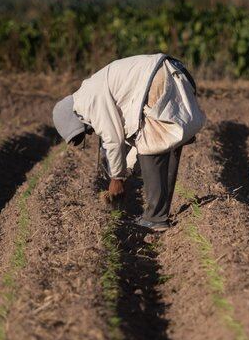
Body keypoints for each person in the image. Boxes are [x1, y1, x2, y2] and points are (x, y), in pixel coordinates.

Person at [52, 53, 206, 232]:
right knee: (168, 144)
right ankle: (159, 214)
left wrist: (116, 178)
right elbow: (135, 143)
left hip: (158, 76)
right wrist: (125, 173)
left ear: (76, 118)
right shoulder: (93, 90)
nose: (91, 132)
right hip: (174, 71)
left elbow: (113, 139)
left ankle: (155, 218)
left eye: (86, 130)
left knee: (153, 144)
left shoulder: (87, 101)